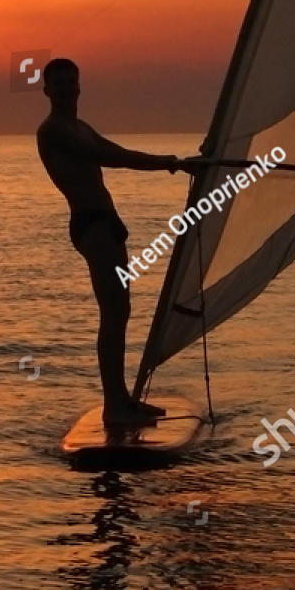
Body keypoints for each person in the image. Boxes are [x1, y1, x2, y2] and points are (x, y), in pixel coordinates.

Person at [35, 58, 192, 426]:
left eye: (71, 81)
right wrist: (169, 163)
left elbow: (112, 148)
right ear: (47, 90)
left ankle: (122, 399)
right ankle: (114, 407)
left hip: (107, 223)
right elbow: (110, 157)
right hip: (91, 224)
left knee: (121, 311)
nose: (66, 88)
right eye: (58, 83)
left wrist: (174, 162)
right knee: (112, 313)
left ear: (79, 86)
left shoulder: (81, 127)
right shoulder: (53, 130)